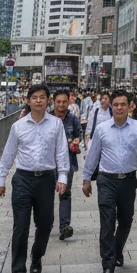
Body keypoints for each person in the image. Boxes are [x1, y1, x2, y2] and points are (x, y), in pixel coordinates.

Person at [0, 84, 69, 273]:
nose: (38, 101)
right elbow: (8, 153)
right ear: (28, 101)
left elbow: (62, 153)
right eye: (34, 97)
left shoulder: (56, 125)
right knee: (20, 226)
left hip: (46, 180)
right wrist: (1, 180)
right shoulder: (18, 126)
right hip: (23, 180)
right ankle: (18, 272)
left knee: (45, 224)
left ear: (48, 101)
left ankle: (37, 256)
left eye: (42, 97)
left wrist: (62, 177)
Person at [80, 90, 137, 273]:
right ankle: (108, 265)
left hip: (128, 181)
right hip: (107, 180)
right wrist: (86, 179)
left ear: (130, 106)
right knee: (107, 222)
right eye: (116, 104)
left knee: (126, 220)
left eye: (123, 104)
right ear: (111, 106)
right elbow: (93, 155)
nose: (119, 108)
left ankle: (117, 248)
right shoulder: (102, 129)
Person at [51, 90, 84, 241]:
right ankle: (45, 224)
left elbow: (79, 134)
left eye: (64, 102)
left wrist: (76, 141)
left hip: (68, 161)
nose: (61, 105)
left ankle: (64, 227)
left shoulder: (72, 119)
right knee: (46, 195)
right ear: (54, 102)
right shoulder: (48, 118)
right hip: (49, 163)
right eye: (58, 102)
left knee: (65, 193)